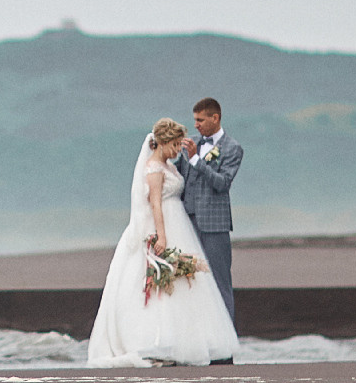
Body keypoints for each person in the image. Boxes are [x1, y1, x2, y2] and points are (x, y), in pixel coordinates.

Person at [87, 118, 240, 368]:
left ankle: (187, 341)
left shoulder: (169, 165)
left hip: (179, 222)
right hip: (164, 223)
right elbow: (155, 203)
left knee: (186, 283)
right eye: (175, 144)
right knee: (163, 284)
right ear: (163, 142)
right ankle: (158, 340)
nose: (178, 148)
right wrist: (161, 234)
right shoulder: (154, 168)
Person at [176, 97, 241, 336]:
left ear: (215, 118)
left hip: (214, 225)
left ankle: (225, 344)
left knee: (219, 282)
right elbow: (178, 174)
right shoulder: (191, 143)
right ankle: (194, 339)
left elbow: (222, 183)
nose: (196, 125)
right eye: (194, 120)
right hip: (186, 222)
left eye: (200, 120)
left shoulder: (232, 148)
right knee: (188, 281)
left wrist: (196, 160)